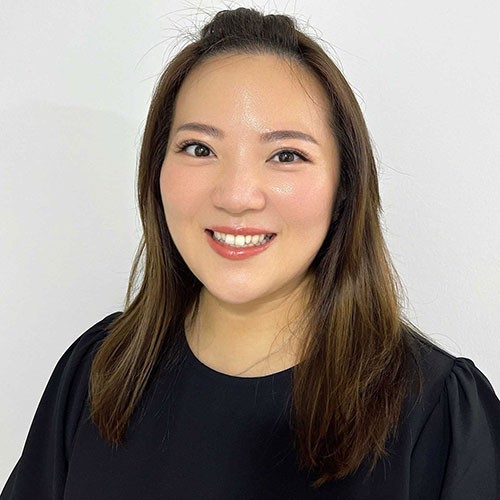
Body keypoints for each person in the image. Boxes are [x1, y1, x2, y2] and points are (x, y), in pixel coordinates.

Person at [2, 7, 499, 500]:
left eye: (286, 155)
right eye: (199, 148)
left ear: (344, 186)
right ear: (156, 170)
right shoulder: (99, 374)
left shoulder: (439, 413)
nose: (237, 195)